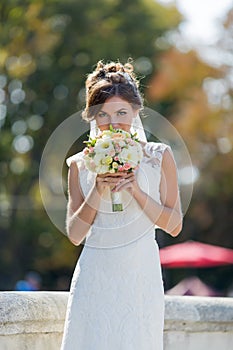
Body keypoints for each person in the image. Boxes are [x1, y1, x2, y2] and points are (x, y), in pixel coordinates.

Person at [61, 60, 183, 349]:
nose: (112, 121)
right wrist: (98, 190)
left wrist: (137, 191)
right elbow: (75, 234)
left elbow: (174, 225)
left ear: (136, 112)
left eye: (121, 112)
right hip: (95, 275)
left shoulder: (159, 156)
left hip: (141, 278)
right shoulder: (79, 165)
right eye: (102, 114)